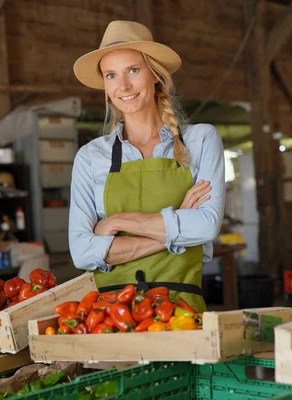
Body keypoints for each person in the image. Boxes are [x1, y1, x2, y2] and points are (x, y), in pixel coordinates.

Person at [68, 20, 225, 312]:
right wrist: (178, 224)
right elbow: (81, 252)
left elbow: (206, 225)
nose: (123, 86)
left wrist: (117, 222)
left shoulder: (201, 140)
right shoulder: (90, 157)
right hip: (110, 317)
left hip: (181, 311)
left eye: (133, 70)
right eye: (111, 75)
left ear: (154, 73)